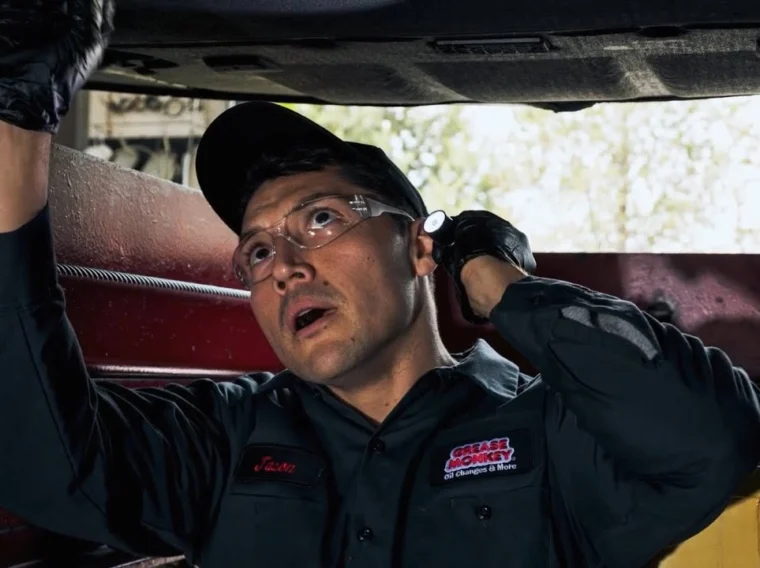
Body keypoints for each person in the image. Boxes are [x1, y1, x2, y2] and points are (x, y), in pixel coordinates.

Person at [1, 3, 760, 568]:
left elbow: (711, 441)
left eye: (321, 218)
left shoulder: (550, 434)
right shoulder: (224, 436)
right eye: (258, 253)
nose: (285, 265)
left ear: (418, 248)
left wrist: (499, 285)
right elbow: (45, 464)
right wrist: (19, 122)